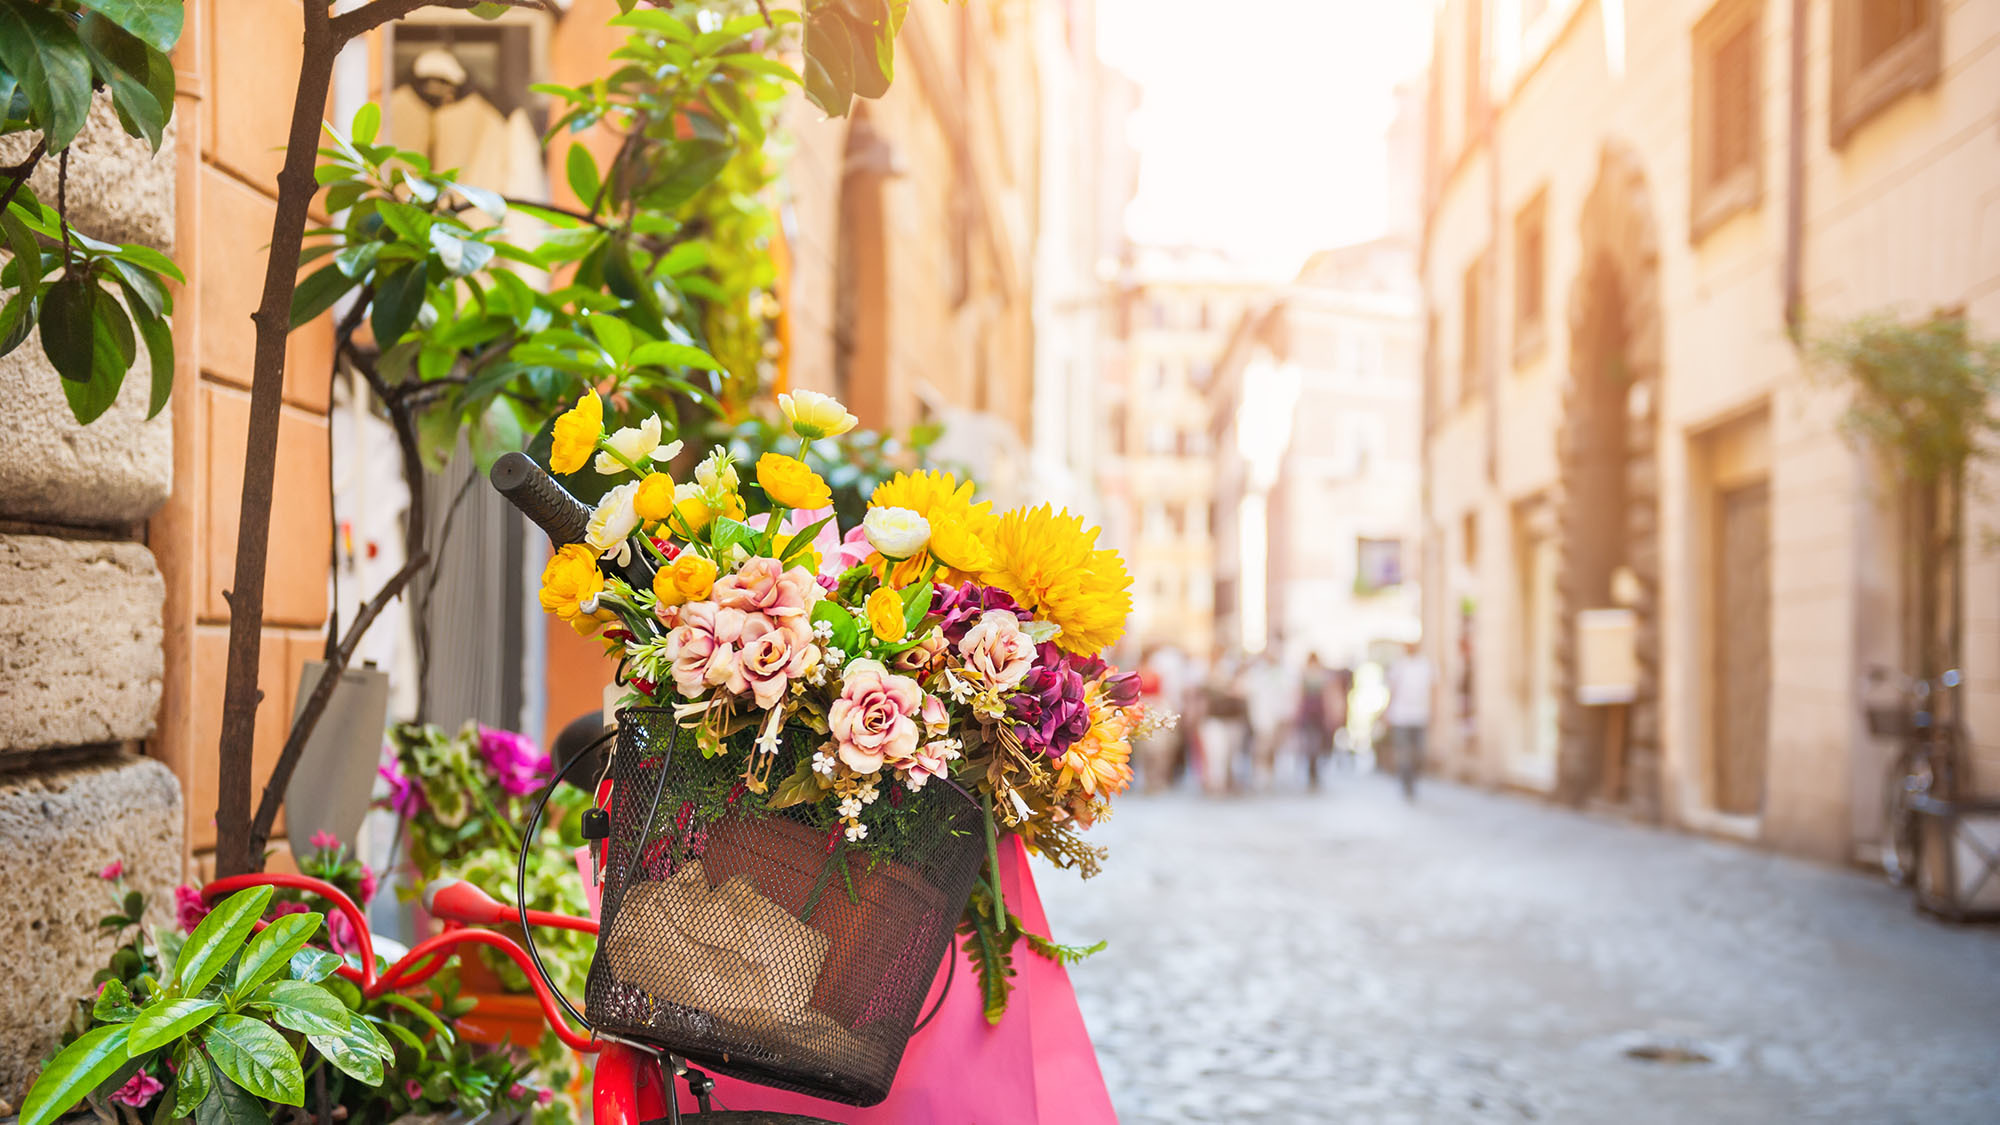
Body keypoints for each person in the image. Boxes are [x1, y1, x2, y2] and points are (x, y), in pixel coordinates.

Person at [1383, 640, 1434, 801]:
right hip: (1401, 716)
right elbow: (1392, 689)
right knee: (1404, 751)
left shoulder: (1426, 666)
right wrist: (1388, 712)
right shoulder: (1399, 666)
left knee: (1419, 751)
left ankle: (1413, 778)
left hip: (1420, 715)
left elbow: (1434, 689)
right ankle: (1406, 781)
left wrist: (1434, 711)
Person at [1296, 654, 1336, 790]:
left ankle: (1313, 770)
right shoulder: (1313, 675)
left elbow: (1327, 695)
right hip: (1313, 713)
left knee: (1313, 743)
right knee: (1313, 743)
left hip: (1314, 713)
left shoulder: (1314, 675)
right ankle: (1312, 770)